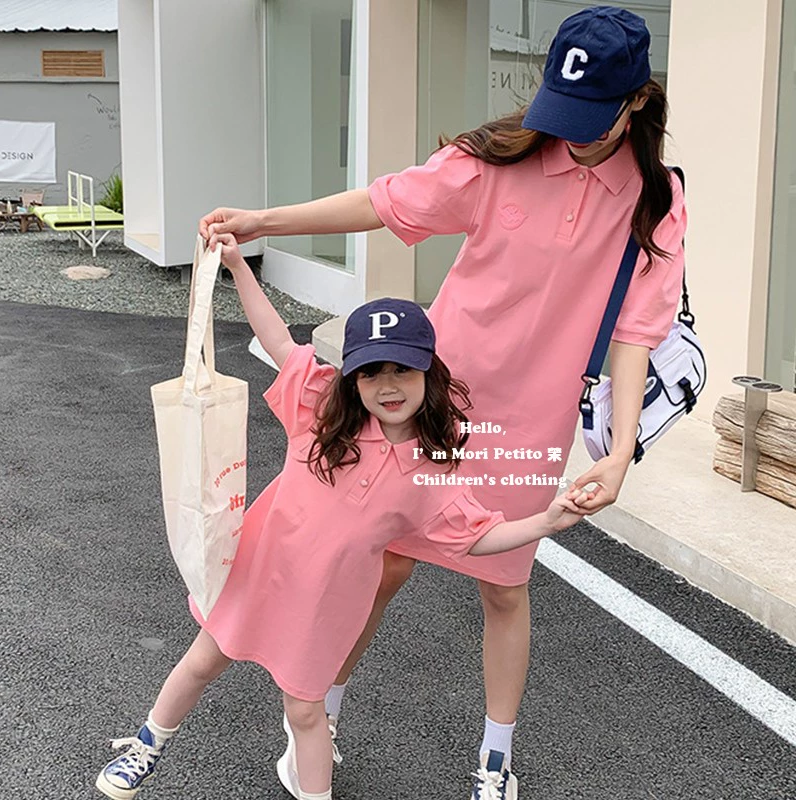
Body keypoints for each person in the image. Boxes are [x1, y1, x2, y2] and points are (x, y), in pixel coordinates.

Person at [199, 7, 686, 798]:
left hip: (531, 422)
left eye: (592, 116)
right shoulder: (500, 161)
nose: (569, 133)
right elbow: (387, 202)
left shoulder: (656, 199)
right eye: (561, 110)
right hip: (428, 405)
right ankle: (318, 715)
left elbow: (634, 334)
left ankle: (495, 758)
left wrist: (620, 450)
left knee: (504, 585)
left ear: (636, 101)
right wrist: (265, 222)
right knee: (381, 563)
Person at [95, 233, 595, 800]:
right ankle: (146, 746)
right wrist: (237, 264)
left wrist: (547, 522)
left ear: (429, 372)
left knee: (307, 713)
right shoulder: (320, 412)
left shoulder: (430, 467)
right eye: (370, 372)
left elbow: (477, 536)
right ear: (352, 377)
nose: (388, 386)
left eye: (403, 370)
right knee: (202, 663)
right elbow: (278, 338)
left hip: (324, 607)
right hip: (257, 574)